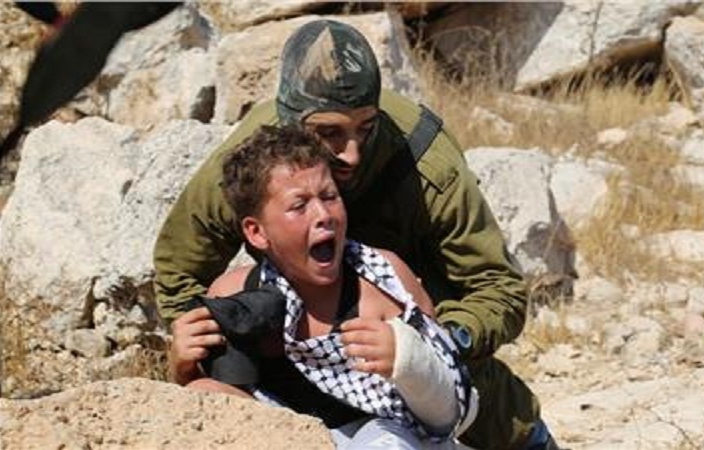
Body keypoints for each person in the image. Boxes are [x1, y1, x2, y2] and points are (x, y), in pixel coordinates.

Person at [155, 19, 556, 450]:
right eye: (328, 133)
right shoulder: (253, 166)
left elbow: (498, 289)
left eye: (366, 128)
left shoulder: (425, 160)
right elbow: (181, 268)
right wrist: (206, 344)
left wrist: (433, 343)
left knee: (464, 391)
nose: (352, 153)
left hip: (404, 304)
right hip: (291, 317)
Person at [171, 125, 477, 448]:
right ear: (257, 233)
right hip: (287, 438)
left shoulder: (385, 284)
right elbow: (216, 416)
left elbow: (449, 413)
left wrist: (407, 359)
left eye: (329, 197)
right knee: (203, 392)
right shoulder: (234, 297)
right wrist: (183, 369)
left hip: (395, 439)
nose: (323, 215)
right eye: (299, 205)